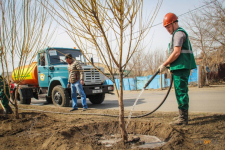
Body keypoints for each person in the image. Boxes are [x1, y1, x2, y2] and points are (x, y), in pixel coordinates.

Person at [158, 13, 196, 125]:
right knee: (180, 91)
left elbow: (176, 52)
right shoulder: (177, 34)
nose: (168, 30)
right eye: (166, 28)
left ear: (175, 23)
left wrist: (165, 64)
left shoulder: (178, 34)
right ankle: (182, 116)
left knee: (181, 92)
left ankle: (183, 119)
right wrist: (172, 66)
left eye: (168, 27)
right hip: (179, 66)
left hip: (182, 66)